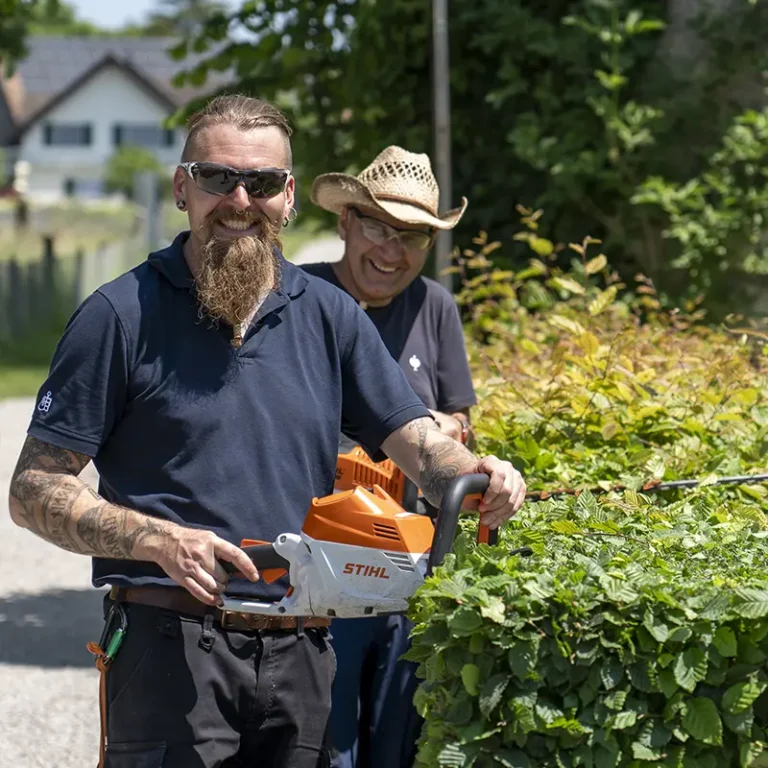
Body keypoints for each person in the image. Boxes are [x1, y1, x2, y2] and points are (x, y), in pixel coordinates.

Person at [7, 94, 526, 768]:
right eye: (219, 178)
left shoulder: (331, 316)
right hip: (168, 646)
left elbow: (417, 440)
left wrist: (475, 474)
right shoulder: (119, 315)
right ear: (182, 188)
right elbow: (33, 489)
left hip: (304, 650)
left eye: (261, 183)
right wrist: (152, 537)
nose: (240, 201)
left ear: (287, 197)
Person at [303, 146, 476, 768]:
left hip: (412, 564)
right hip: (323, 565)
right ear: (345, 221)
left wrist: (437, 428)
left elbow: (462, 419)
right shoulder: (303, 300)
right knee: (327, 737)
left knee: (397, 740)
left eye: (413, 236)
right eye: (377, 226)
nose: (391, 249)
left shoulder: (435, 306)